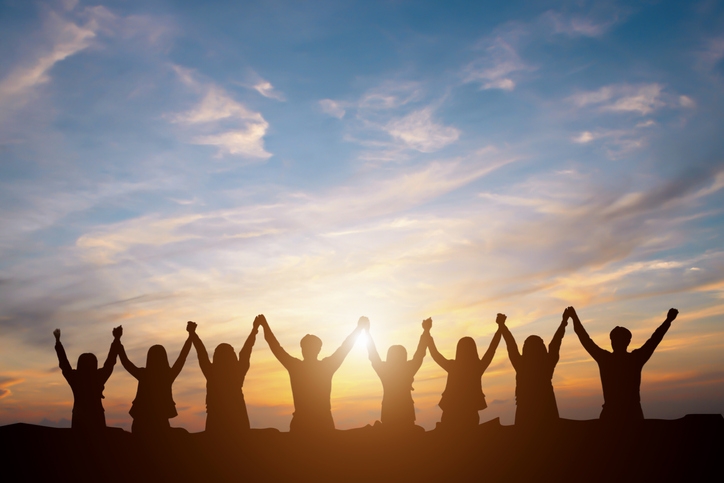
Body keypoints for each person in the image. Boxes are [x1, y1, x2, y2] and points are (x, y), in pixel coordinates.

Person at [259, 314, 367, 433]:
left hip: (304, 424)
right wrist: (358, 329)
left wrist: (264, 325)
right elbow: (345, 347)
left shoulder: (296, 367)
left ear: (302, 349)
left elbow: (275, 347)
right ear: (318, 349)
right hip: (321, 424)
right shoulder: (326, 366)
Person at [570, 306, 679, 423]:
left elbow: (585, 339)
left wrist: (574, 317)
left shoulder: (606, 359)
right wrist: (668, 321)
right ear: (628, 342)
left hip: (615, 416)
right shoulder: (635, 359)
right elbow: (654, 339)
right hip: (630, 415)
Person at [115, 322, 194, 435]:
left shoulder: (143, 374)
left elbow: (125, 362)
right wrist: (191, 336)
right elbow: (182, 357)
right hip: (159, 424)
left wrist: (117, 340)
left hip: (140, 423)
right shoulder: (168, 375)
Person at [427, 316, 502, 430]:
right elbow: (492, 349)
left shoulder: (453, 366)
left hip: (450, 413)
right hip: (470, 414)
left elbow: (435, 354)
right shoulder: (478, 367)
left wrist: (427, 332)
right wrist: (500, 328)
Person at [189, 317, 260, 435]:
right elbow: (246, 351)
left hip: (216, 421)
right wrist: (254, 330)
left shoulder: (211, 373)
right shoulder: (238, 372)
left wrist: (193, 334)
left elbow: (201, 353)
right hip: (238, 420)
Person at [497, 311, 566, 428]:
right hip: (548, 413)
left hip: (525, 415)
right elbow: (555, 344)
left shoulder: (521, 366)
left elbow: (511, 345)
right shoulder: (547, 365)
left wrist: (502, 326)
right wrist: (564, 322)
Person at [365, 318, 430, 430]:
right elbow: (420, 354)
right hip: (406, 414)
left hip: (389, 414)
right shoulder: (408, 369)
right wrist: (426, 331)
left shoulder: (384, 370)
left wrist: (367, 333)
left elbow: (373, 355)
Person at [53, 326, 121, 431]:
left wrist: (58, 342)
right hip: (96, 417)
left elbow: (64, 364)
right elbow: (110, 362)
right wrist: (116, 339)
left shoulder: (75, 378)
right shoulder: (98, 377)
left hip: (79, 418)